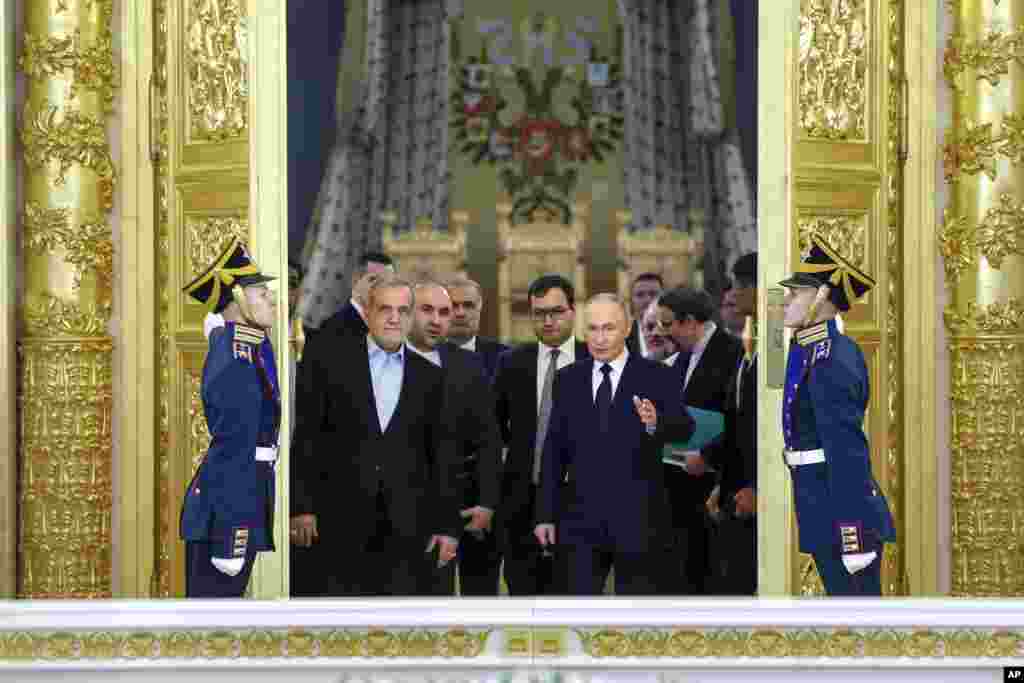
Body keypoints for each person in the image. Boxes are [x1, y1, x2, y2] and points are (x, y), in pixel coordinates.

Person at [289, 276, 461, 596]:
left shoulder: (432, 379)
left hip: (408, 528)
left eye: (402, 310)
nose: (394, 318)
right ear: (367, 313)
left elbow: (442, 457)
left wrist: (447, 527)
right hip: (337, 523)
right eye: (385, 309)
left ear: (411, 317)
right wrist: (301, 507)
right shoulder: (327, 363)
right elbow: (308, 436)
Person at [533, 294, 695, 595]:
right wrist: (544, 515)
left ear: (627, 328)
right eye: (592, 329)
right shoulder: (568, 379)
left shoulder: (657, 376)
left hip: (639, 522)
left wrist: (655, 422)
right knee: (578, 617)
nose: (600, 338)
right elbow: (554, 451)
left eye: (608, 328)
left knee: (637, 621)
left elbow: (685, 427)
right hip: (580, 522)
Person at [779, 234, 895, 596]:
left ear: (821, 298)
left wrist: (853, 533)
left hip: (841, 513)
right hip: (820, 505)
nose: (786, 301)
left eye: (796, 293)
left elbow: (846, 454)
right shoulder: (811, 351)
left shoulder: (832, 359)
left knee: (862, 632)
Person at [180, 237, 280, 598]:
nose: (272, 300)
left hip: (242, 498)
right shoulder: (236, 355)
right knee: (208, 631)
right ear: (236, 299)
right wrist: (232, 537)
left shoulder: (247, 347)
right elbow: (233, 447)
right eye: (261, 294)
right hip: (226, 513)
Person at [492, 274, 589, 595]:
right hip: (522, 501)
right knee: (523, 595)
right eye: (539, 313)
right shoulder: (511, 362)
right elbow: (493, 428)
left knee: (576, 596)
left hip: (580, 501)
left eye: (556, 311)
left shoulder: (597, 360)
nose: (548, 321)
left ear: (574, 311)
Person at [406, 281, 503, 596]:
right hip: (394, 506)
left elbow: (488, 439)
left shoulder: (468, 365)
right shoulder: (379, 360)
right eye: (427, 310)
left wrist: (487, 501)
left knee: (442, 599)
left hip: (456, 503)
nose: (437, 320)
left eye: (444, 313)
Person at [657, 287, 743, 594]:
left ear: (691, 321)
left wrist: (708, 456)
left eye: (668, 324)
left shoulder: (733, 352)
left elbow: (741, 420)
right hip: (677, 488)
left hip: (715, 487)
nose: (663, 332)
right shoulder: (678, 359)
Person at [707, 252, 758, 595]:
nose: (734, 294)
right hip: (733, 492)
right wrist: (720, 483)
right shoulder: (747, 347)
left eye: (740, 286)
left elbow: (769, 432)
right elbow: (736, 423)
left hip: (755, 496)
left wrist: (759, 488)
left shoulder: (775, 348)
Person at [446, 276, 508, 380]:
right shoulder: (423, 358)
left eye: (468, 305)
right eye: (453, 305)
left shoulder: (506, 359)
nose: (460, 313)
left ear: (480, 308)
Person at [625, 273, 664, 356]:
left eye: (653, 294)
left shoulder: (677, 335)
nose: (647, 300)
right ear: (631, 301)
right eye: (640, 295)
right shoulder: (622, 338)